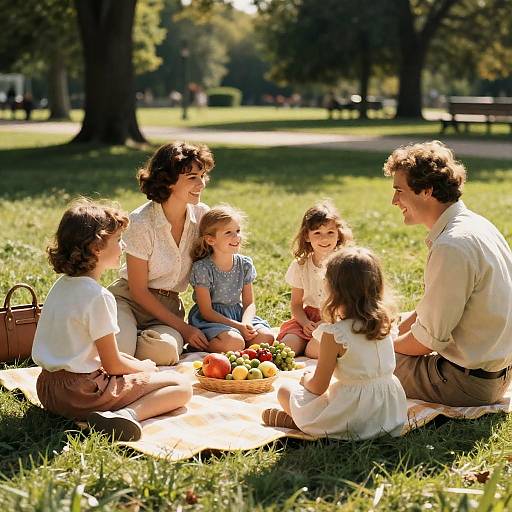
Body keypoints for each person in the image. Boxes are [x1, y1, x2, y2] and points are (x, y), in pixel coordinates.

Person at [32, 199, 192, 441]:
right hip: (82, 392)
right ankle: (127, 416)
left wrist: (134, 365)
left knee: (142, 372)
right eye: (118, 240)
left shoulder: (60, 287)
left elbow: (95, 353)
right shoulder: (99, 296)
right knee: (181, 387)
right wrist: (147, 368)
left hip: (48, 390)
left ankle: (109, 412)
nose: (123, 245)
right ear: (97, 247)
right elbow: (113, 366)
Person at [384, 140, 512, 406]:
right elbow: (431, 311)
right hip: (494, 375)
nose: (394, 200)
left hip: (465, 383)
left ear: (427, 190)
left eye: (399, 190)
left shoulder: (452, 245)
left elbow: (425, 340)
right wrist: (393, 331)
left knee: (359, 362)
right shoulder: (476, 225)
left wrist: (383, 346)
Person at [262, 247, 407, 440]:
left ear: (334, 290)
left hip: (352, 417)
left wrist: (306, 379)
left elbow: (318, 386)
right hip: (389, 414)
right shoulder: (385, 324)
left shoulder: (335, 334)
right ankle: (308, 422)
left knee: (285, 391)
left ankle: (304, 424)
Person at [109, 142, 214, 363]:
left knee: (165, 352)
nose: (201, 184)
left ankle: (128, 339)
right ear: (168, 181)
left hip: (168, 310)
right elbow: (138, 291)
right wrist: (185, 329)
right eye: (192, 177)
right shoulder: (141, 221)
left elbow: (216, 265)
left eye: (202, 176)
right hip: (128, 301)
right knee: (121, 351)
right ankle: (123, 337)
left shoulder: (203, 216)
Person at [188, 205, 274, 353]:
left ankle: (239, 349)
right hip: (212, 320)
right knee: (234, 342)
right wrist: (238, 327)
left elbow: (249, 303)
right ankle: (201, 345)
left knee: (266, 337)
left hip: (238, 315)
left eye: (238, 231)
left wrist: (246, 323)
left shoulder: (244, 264)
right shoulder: (202, 268)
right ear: (210, 240)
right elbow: (206, 311)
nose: (236, 237)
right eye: (228, 232)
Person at [276, 201, 353, 357]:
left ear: (339, 234)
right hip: (307, 318)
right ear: (307, 236)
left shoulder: (345, 264)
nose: (324, 238)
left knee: (313, 351)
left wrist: (325, 322)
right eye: (317, 233)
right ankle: (303, 341)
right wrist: (305, 323)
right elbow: (296, 305)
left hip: (336, 318)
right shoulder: (301, 266)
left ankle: (311, 346)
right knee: (286, 347)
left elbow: (347, 305)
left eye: (330, 232)